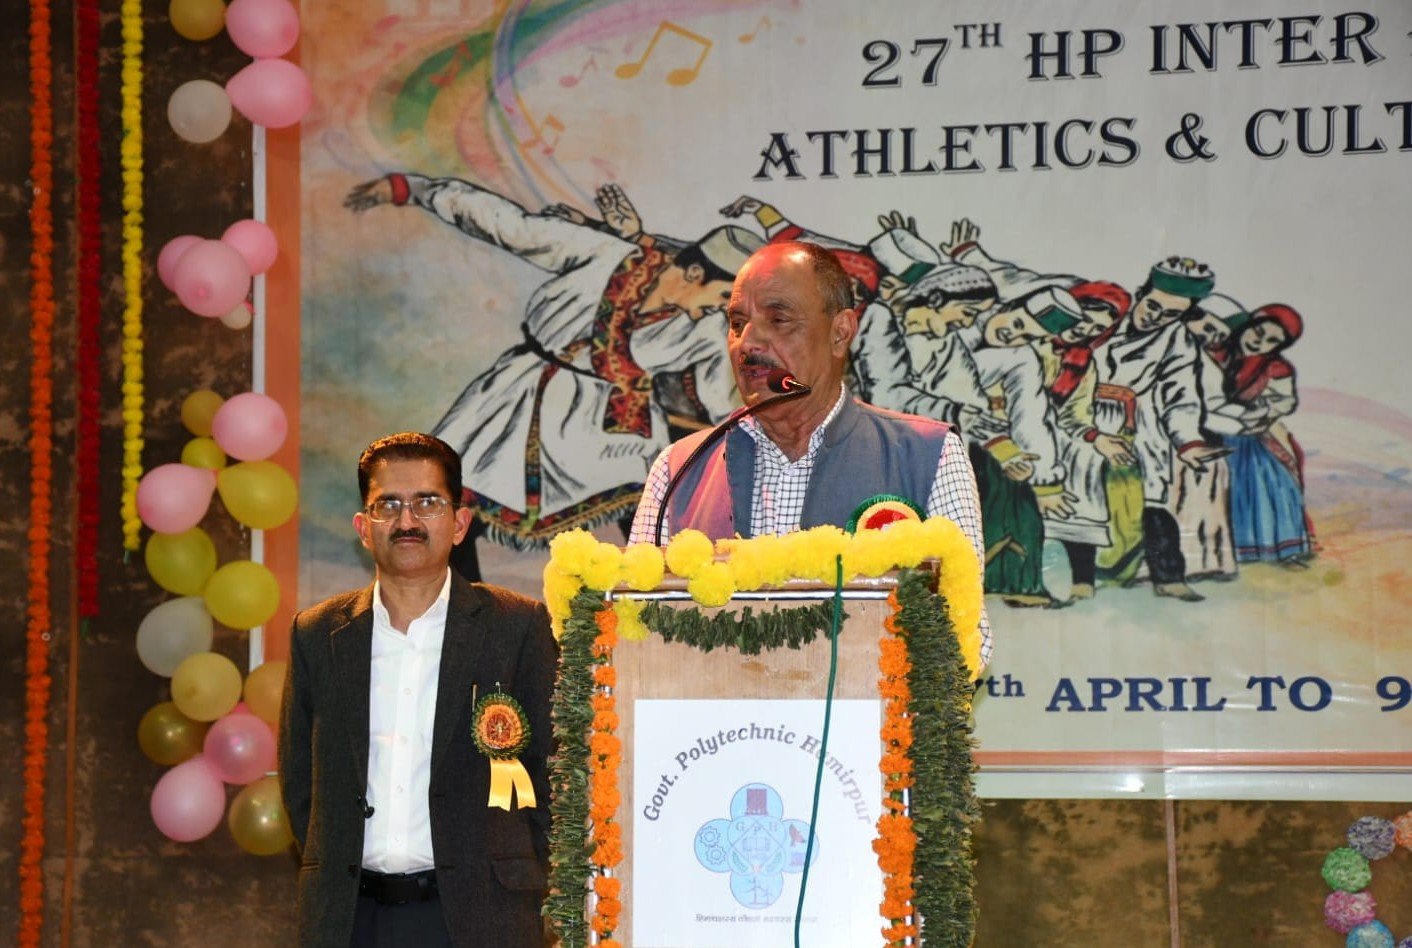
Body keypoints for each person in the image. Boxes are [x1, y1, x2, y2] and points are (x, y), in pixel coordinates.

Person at [629, 241, 992, 666]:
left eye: (779, 319)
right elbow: (631, 633)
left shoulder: (929, 455)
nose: (748, 343)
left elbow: (968, 642)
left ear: (840, 333)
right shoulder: (678, 468)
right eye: (737, 323)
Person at [279, 432, 558, 948]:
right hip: (349, 919)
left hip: (482, 916)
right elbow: (300, 782)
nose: (407, 521)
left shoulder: (516, 626)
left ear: (460, 524)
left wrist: (521, 870)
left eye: (427, 502)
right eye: (388, 505)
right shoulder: (318, 633)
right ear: (364, 528)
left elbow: (552, 770)